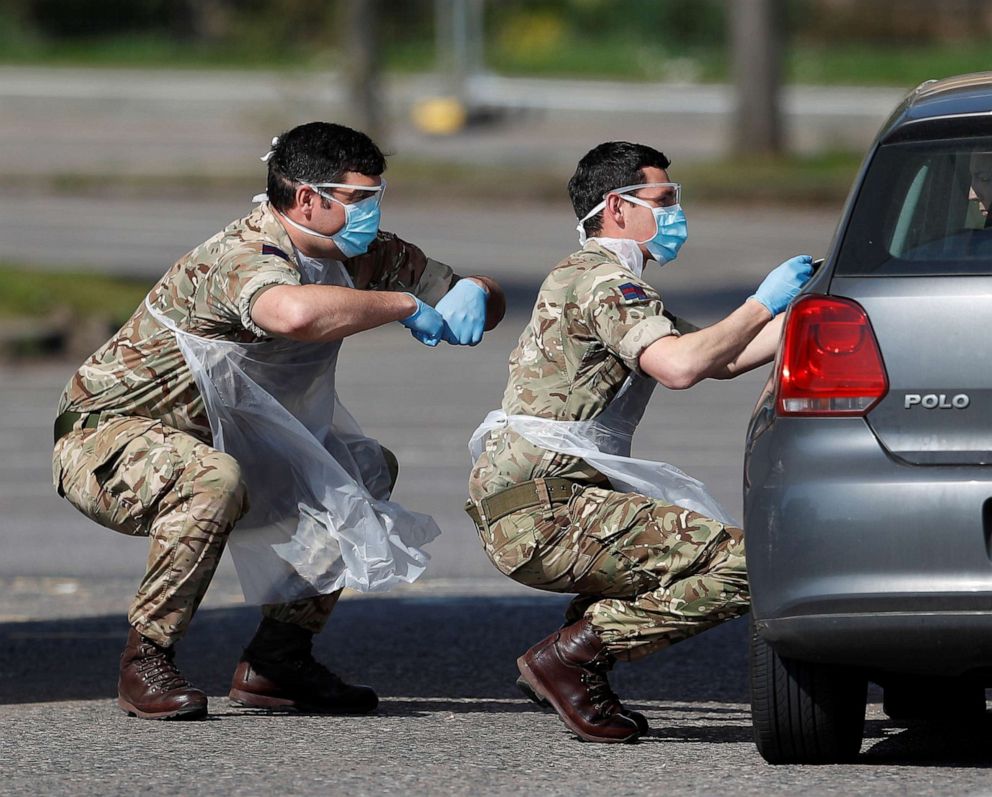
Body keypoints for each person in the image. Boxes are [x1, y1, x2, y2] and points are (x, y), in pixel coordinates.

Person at [51, 121, 505, 721]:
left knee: (363, 469)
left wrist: (476, 289)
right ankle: (146, 659)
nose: (372, 212)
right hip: (110, 438)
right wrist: (403, 305)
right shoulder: (240, 255)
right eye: (360, 200)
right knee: (211, 480)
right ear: (309, 199)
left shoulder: (367, 255)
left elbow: (468, 298)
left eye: (376, 197)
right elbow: (289, 312)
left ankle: (278, 661)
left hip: (230, 437)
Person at [465, 141, 812, 743]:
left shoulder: (608, 280)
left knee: (687, 552)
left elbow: (719, 358)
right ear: (617, 207)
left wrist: (801, 312)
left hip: (547, 500)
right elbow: (680, 367)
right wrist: (761, 301)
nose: (677, 213)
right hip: (542, 509)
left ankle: (578, 661)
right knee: (756, 565)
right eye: (664, 199)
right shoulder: (604, 282)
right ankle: (572, 656)